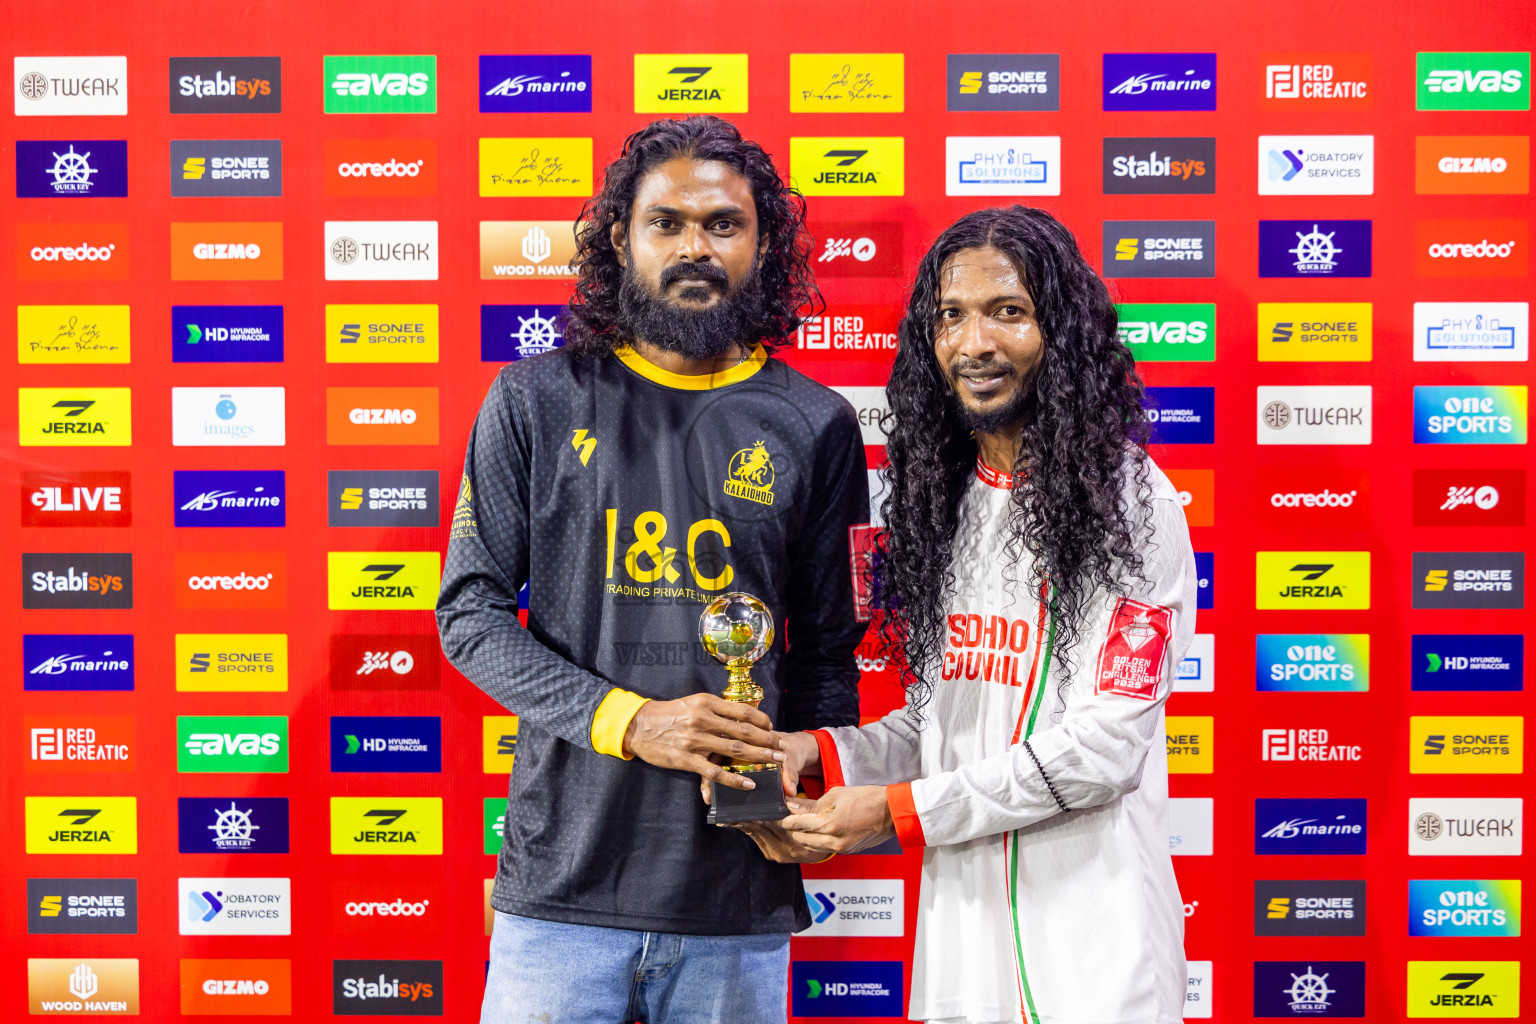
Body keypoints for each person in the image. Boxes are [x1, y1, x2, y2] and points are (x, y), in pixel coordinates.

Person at [437, 115, 868, 1024]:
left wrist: (813, 789)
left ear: (765, 244)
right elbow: (468, 616)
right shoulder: (534, 399)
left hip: (734, 902)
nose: (695, 249)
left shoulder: (817, 423)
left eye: (724, 224)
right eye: (665, 223)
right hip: (561, 895)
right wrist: (634, 723)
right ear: (620, 240)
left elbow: (831, 649)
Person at [750, 206, 1197, 1024]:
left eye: (1009, 312)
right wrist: (816, 753)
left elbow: (1106, 748)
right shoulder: (941, 506)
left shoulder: (1131, 501)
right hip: (962, 941)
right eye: (950, 315)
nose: (974, 343)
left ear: (1061, 332)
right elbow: (942, 728)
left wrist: (893, 813)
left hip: (1097, 949)